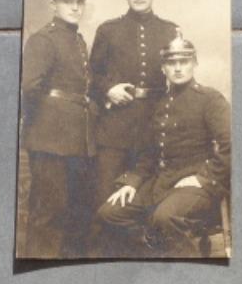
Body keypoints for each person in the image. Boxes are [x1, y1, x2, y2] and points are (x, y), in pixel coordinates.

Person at [95, 30, 230, 257]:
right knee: (109, 213)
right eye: (171, 63)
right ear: (163, 68)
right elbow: (149, 152)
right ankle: (155, 254)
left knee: (164, 218)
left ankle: (188, 271)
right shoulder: (159, 104)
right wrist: (133, 182)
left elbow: (231, 145)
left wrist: (203, 177)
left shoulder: (209, 99)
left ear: (194, 63)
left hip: (196, 186)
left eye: (184, 62)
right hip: (161, 183)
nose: (177, 68)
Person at [87, 0, 180, 229]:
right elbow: (89, 76)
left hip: (153, 132)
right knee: (106, 204)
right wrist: (108, 90)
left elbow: (179, 79)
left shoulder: (169, 31)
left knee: (146, 203)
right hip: (113, 132)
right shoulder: (108, 30)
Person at [19, 0, 95, 257]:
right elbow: (29, 89)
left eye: (80, 0)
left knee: (75, 216)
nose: (75, 6)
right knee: (48, 215)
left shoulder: (78, 41)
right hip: (50, 143)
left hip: (76, 144)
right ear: (54, 3)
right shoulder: (43, 40)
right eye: (67, 0)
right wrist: (40, 136)